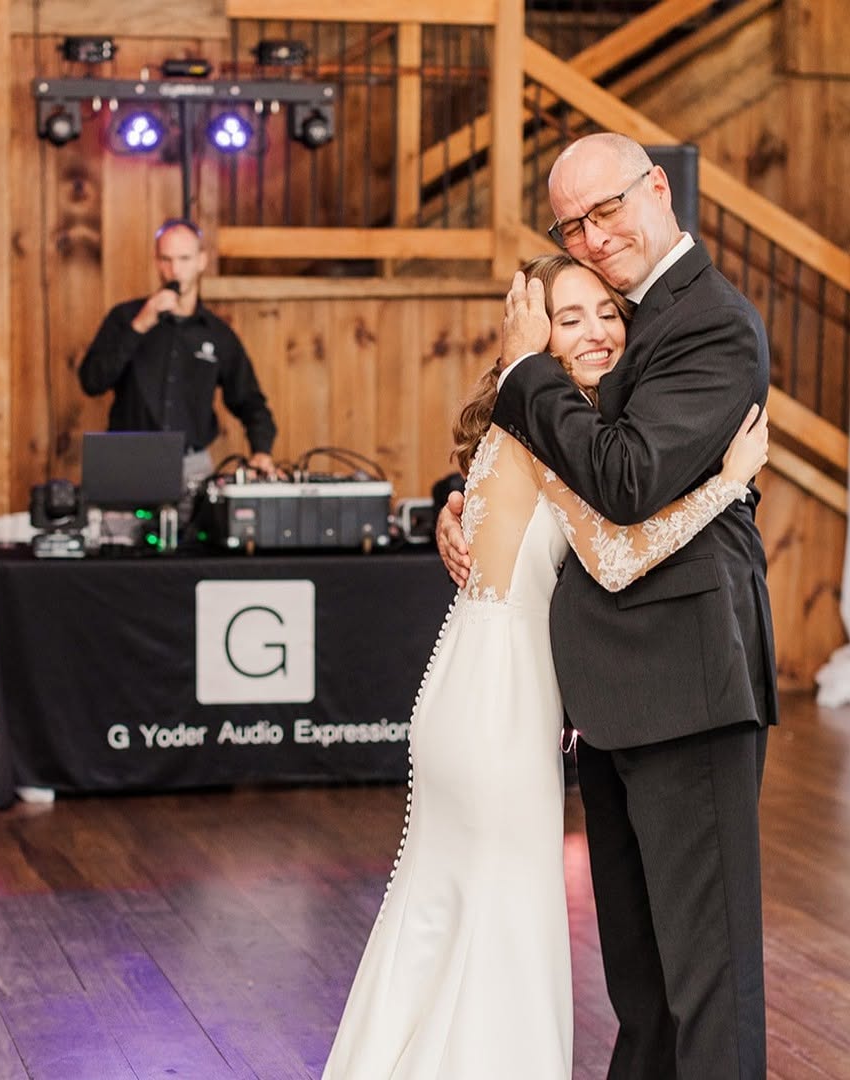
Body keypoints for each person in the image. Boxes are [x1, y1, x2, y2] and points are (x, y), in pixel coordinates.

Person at [323, 253, 769, 1079]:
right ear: (535, 335)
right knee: (504, 921)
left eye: (608, 312)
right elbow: (614, 556)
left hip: (472, 685)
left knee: (443, 913)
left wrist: (457, 513)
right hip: (498, 705)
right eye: (570, 318)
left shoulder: (530, 423)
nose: (597, 331)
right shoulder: (548, 426)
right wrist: (729, 485)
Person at [437, 133, 778, 1079]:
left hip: (687, 682)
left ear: (657, 188)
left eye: (608, 209)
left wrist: (526, 371)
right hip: (605, 691)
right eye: (572, 226)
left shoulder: (711, 322)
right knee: (641, 982)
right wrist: (459, 507)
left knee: (708, 976)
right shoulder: (625, 313)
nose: (593, 235)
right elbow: (557, 469)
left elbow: (624, 481)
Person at [78, 218, 278, 519]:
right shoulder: (126, 317)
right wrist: (139, 326)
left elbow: (250, 401)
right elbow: (92, 381)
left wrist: (261, 451)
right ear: (157, 262)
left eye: (184, 259)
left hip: (190, 467)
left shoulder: (217, 334)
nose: (175, 270)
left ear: (201, 261)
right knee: (114, 544)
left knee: (195, 544)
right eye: (167, 259)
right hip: (128, 461)